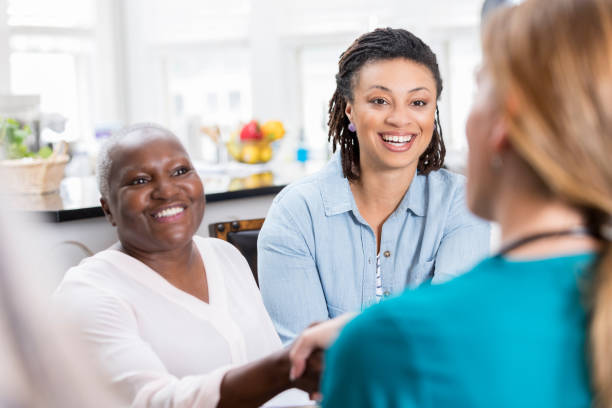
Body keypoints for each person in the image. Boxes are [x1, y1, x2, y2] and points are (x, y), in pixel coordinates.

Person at [289, 0, 612, 406]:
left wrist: (367, 336)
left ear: (503, 123)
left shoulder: (382, 345)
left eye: (479, 89)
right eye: (380, 100)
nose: (402, 118)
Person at [54, 123, 318, 408]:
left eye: (180, 171)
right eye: (140, 180)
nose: (166, 191)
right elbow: (154, 402)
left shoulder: (224, 256)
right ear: (108, 209)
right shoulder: (87, 294)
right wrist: (283, 368)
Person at [258, 28, 491, 343]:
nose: (399, 118)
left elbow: (450, 335)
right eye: (380, 100)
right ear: (350, 108)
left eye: (418, 102)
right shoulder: (295, 215)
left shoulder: (459, 202)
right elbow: (302, 361)